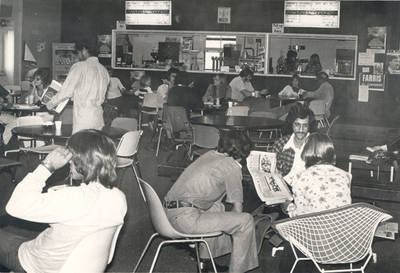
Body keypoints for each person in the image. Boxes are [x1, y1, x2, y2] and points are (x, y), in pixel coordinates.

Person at [0, 129, 127, 273]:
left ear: (82, 161)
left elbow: (14, 206)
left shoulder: (73, 199)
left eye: (72, 159)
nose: (69, 163)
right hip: (81, 265)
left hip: (37, 264)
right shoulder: (119, 198)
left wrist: (47, 166)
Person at [164, 131, 258, 273]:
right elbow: (237, 211)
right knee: (246, 220)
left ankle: (205, 262)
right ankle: (239, 271)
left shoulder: (208, 155)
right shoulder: (231, 165)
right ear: (240, 154)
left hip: (165, 214)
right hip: (186, 220)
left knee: (216, 205)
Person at [46, 40, 110, 133]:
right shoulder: (104, 70)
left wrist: (50, 104)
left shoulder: (79, 67)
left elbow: (66, 92)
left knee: (79, 146)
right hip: (99, 118)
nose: (78, 55)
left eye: (78, 52)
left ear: (84, 50)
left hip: (83, 118)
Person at [285, 133, 351, 217]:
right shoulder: (346, 175)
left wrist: (287, 206)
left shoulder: (300, 177)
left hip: (315, 227)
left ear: (307, 150)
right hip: (341, 227)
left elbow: (299, 215)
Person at [271, 103, 316, 184]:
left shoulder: (316, 145)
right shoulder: (281, 144)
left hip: (307, 187)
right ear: (291, 124)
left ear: (309, 126)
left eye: (305, 125)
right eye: (297, 124)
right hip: (284, 186)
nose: (301, 129)